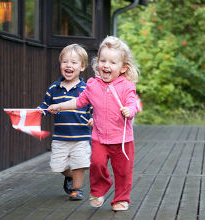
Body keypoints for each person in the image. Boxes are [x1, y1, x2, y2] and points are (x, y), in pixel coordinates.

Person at [47, 36, 139, 211]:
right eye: (103, 60)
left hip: (122, 140)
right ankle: (98, 190)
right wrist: (59, 106)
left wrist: (130, 110)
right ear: (97, 63)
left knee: (123, 172)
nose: (106, 65)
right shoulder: (92, 85)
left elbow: (132, 103)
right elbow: (78, 102)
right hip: (99, 137)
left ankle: (121, 199)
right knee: (96, 164)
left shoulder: (127, 86)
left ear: (123, 68)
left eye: (112, 62)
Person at [38, 44, 93, 201]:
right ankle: (70, 177)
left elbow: (93, 107)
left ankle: (77, 189)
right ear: (60, 64)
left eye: (74, 62)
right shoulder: (54, 88)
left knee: (79, 163)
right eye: (65, 62)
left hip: (81, 136)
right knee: (58, 166)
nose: (69, 65)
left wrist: (93, 118)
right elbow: (44, 106)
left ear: (82, 67)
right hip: (60, 137)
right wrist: (37, 113)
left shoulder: (86, 89)